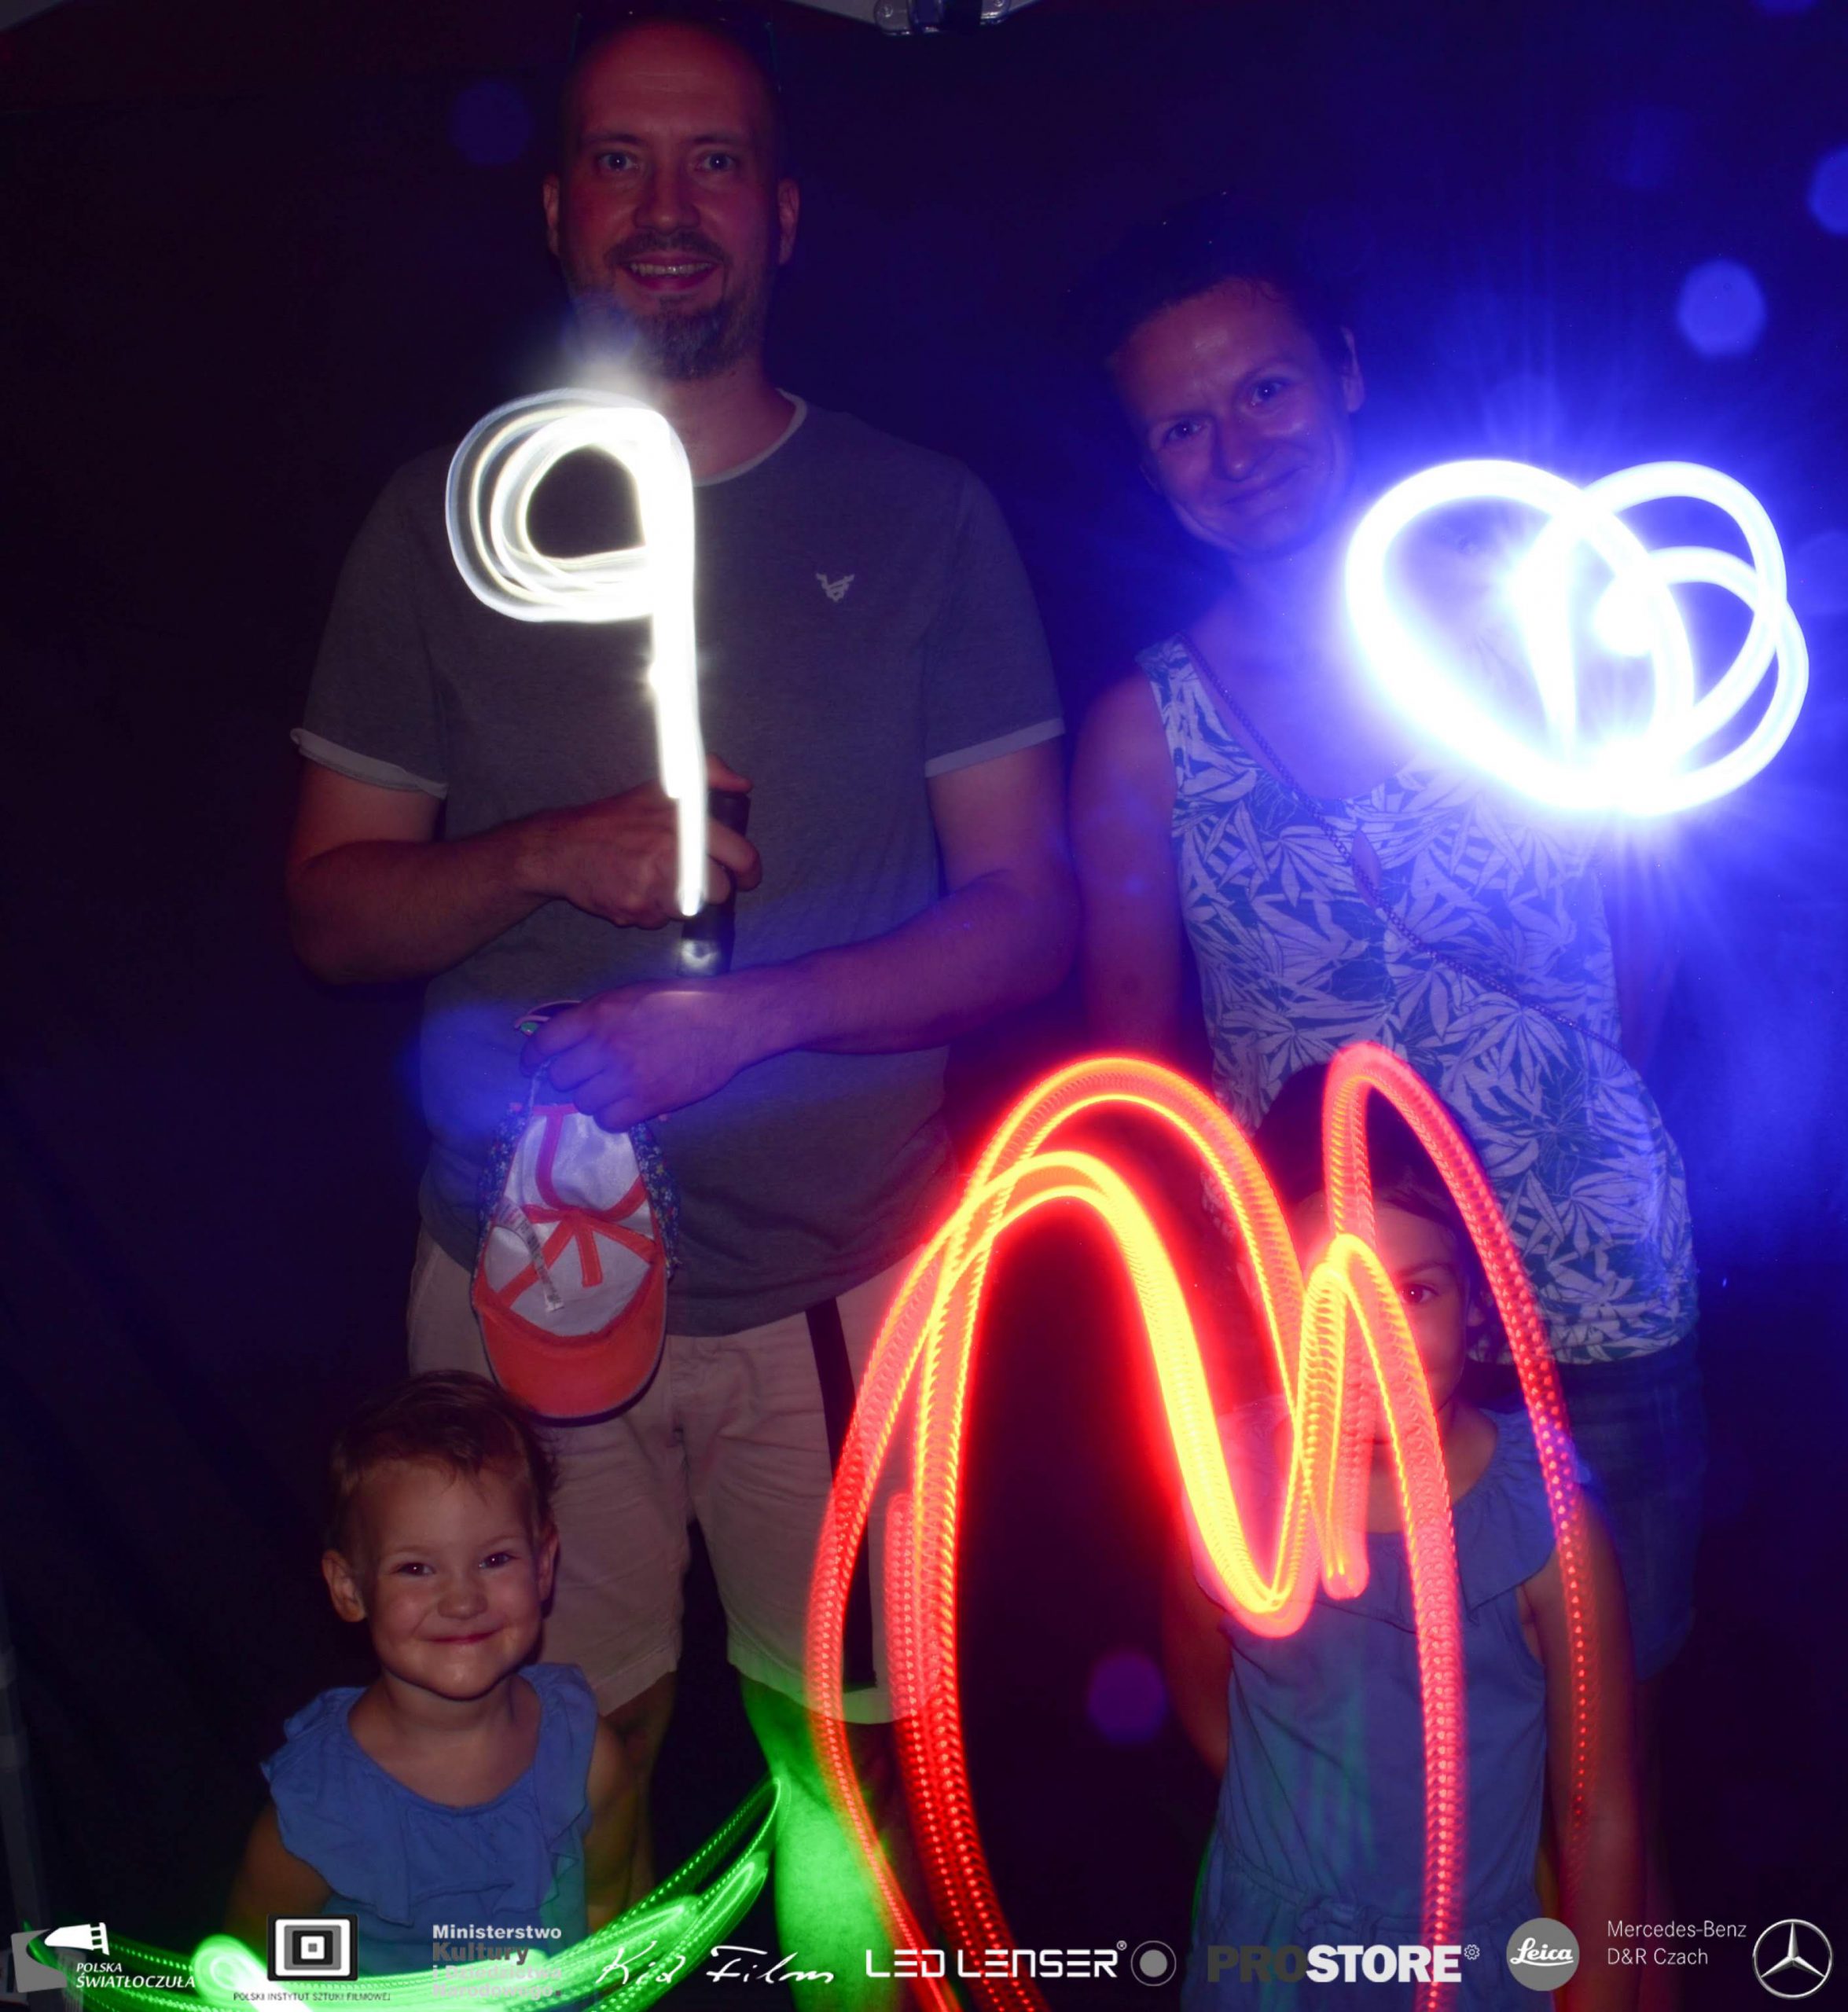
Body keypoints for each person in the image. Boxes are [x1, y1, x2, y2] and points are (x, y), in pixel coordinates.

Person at [283, 2, 1075, 1994]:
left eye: (712, 159)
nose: (665, 204)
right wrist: (552, 850)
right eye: (618, 160)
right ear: (556, 208)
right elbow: (334, 912)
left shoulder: (920, 513)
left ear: (780, 211)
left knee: (852, 1789)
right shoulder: (442, 520)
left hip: (843, 1284)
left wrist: (743, 1019)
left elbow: (1026, 919)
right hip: (522, 1285)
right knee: (563, 1779)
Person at [1068, 202, 1701, 1926]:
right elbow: (1135, 1062)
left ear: (1343, 371)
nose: (1235, 449)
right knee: (1358, 1774)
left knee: (1607, 1790)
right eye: (1180, 425)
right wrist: (1238, 1324)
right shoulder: (1143, 731)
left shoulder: (1538, 633)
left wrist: (1560, 1153)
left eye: (1265, 389)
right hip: (1336, 1337)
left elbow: (1642, 938)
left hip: (1589, 1297)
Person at [1163, 1067, 1641, 2009]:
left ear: (1474, 1296)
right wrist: (1308, 1848)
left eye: (1413, 1294)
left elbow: (1601, 1817)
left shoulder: (1546, 1528)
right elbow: (1201, 1688)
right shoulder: (1227, 1486)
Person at [226, 1373, 629, 1975]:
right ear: (349, 1588)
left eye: (495, 1559)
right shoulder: (322, 1811)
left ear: (544, 1566)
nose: (463, 1601)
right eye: (416, 1568)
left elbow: (606, 1905)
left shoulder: (584, 1752)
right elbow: (263, 1972)